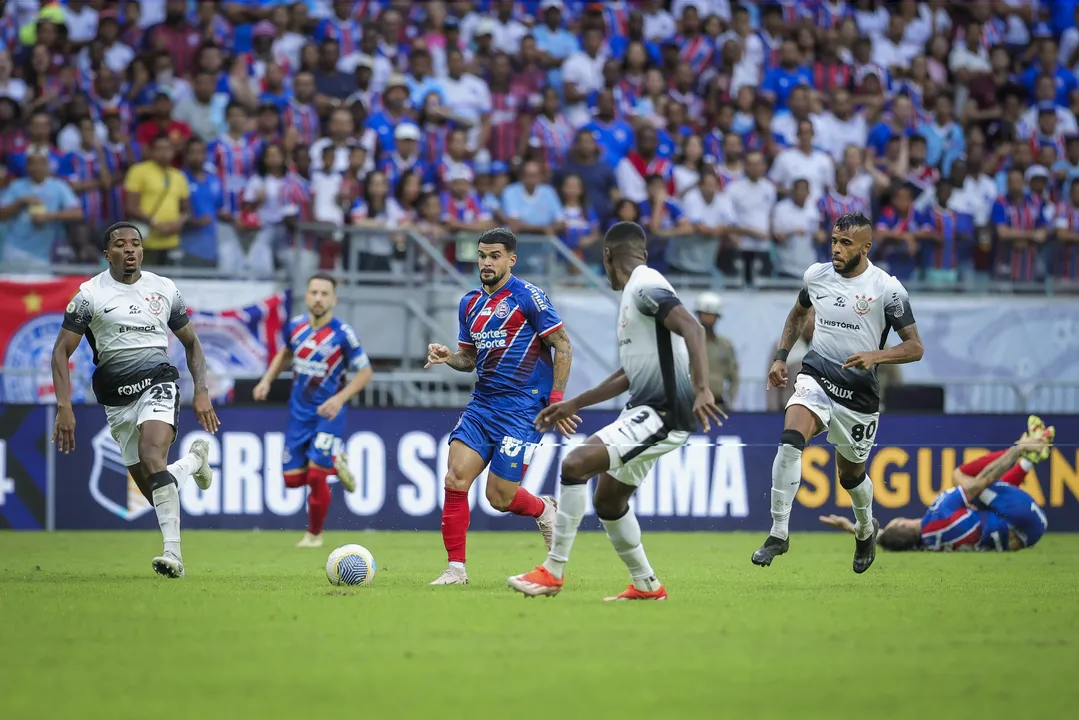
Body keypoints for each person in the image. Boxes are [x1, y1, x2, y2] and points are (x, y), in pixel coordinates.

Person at [507, 221, 724, 601]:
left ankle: (553, 571)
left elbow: (694, 329)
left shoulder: (644, 285)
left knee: (575, 464)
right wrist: (574, 403)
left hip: (664, 411)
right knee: (608, 501)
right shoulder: (634, 294)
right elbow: (628, 374)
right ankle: (646, 585)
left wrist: (703, 389)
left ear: (607, 255)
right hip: (645, 409)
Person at [753, 211, 924, 573]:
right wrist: (782, 357)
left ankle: (865, 529)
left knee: (850, 476)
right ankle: (779, 533)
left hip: (859, 393)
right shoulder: (817, 276)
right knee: (789, 440)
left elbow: (914, 347)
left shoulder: (887, 289)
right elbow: (798, 315)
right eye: (834, 240)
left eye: (846, 243)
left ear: (866, 247)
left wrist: (876, 356)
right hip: (817, 374)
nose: (836, 248)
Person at [50, 222, 217, 578]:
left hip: (158, 383)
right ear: (106, 254)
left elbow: (191, 343)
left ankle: (174, 557)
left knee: (151, 455)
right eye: (120, 244)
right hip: (117, 400)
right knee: (154, 484)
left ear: (142, 251)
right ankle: (193, 462)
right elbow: (61, 351)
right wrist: (64, 405)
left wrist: (201, 390)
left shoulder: (164, 289)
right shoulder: (89, 295)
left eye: (136, 244)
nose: (130, 249)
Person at [424, 227, 575, 586]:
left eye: (494, 256)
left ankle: (544, 510)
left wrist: (555, 402)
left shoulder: (529, 298)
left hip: (523, 410)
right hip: (483, 405)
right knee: (455, 478)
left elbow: (563, 345)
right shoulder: (469, 303)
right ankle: (455, 570)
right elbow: (469, 360)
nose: (486, 263)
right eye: (481, 255)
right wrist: (449, 357)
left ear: (511, 259)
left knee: (499, 497)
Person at [253, 273, 372, 548]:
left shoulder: (343, 334)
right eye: (314, 292)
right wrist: (266, 380)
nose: (318, 298)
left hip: (328, 414)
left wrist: (340, 399)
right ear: (306, 296)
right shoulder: (294, 327)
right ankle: (336, 461)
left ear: (333, 299)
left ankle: (314, 535)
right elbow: (286, 353)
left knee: (317, 475)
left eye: (324, 293)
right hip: (298, 414)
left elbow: (365, 373)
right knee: (293, 480)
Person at [821, 417, 1055, 552]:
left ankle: (1027, 461)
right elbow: (984, 481)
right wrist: (1016, 450)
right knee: (961, 476)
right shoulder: (939, 510)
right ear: (901, 521)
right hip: (1025, 515)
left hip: (1028, 536)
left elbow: (884, 537)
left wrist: (849, 526)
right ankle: (1026, 448)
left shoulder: (928, 544)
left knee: (979, 500)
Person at [695, 291, 739, 412]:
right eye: (705, 314)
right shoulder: (686, 343)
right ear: (699, 315)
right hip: (691, 405)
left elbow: (734, 377)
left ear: (717, 317)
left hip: (718, 405)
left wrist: (730, 402)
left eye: (712, 315)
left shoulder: (725, 345)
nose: (708, 318)